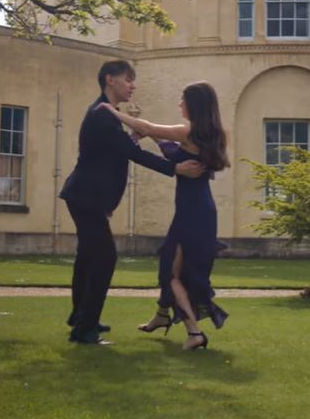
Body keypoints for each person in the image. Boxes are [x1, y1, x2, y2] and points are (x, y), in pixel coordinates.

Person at [59, 60, 205, 346]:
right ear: (110, 80)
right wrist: (174, 169)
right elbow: (130, 153)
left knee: (88, 258)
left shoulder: (107, 114)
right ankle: (85, 330)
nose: (132, 85)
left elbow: (116, 152)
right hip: (85, 198)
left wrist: (134, 138)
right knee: (104, 258)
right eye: (128, 79)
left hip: (85, 197)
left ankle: (81, 318)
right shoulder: (102, 114)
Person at [98, 81, 230, 350]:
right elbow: (173, 153)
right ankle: (161, 315)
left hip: (191, 213)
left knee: (172, 273)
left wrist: (111, 110)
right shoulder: (211, 134)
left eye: (182, 99)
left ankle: (195, 332)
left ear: (194, 104)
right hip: (200, 210)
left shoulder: (187, 131)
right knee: (171, 264)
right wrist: (153, 137)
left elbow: (146, 127)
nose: (179, 103)